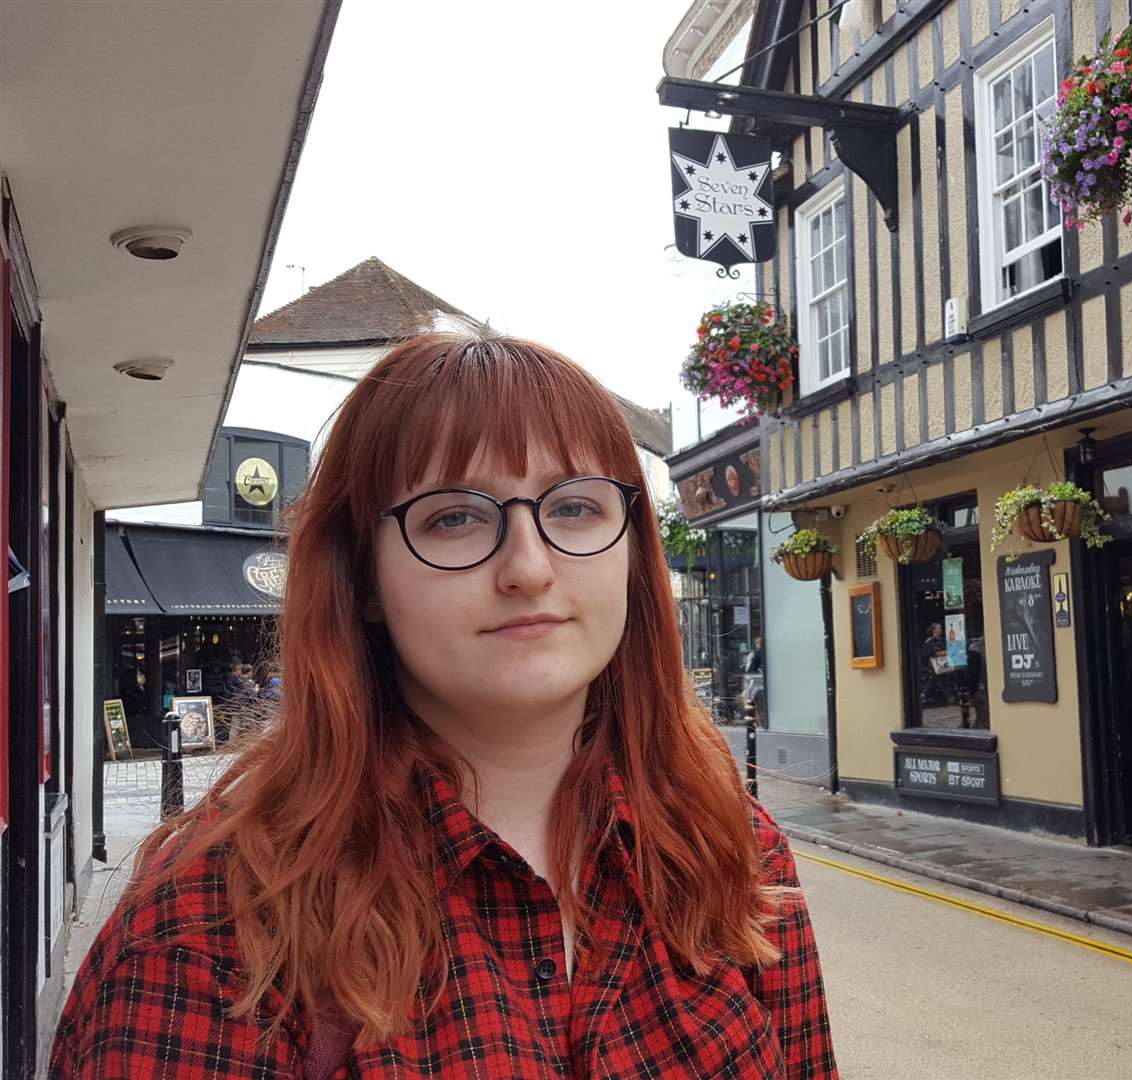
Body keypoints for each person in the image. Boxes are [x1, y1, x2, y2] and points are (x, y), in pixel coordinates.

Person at [49, 332, 836, 1078]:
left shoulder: (732, 853)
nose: (528, 569)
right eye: (454, 518)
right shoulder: (213, 934)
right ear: (363, 582)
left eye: (573, 508)